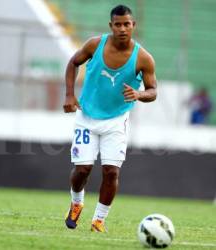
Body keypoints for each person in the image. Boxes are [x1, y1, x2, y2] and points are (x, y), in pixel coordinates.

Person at [63, 5, 157, 232]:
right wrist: (69, 94)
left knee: (111, 171)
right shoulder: (95, 45)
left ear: (133, 25)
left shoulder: (143, 58)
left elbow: (153, 90)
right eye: (118, 24)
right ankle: (76, 203)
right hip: (87, 116)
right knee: (82, 170)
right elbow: (73, 63)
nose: (123, 28)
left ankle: (98, 220)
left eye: (127, 24)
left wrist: (139, 94)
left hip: (116, 121)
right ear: (111, 26)